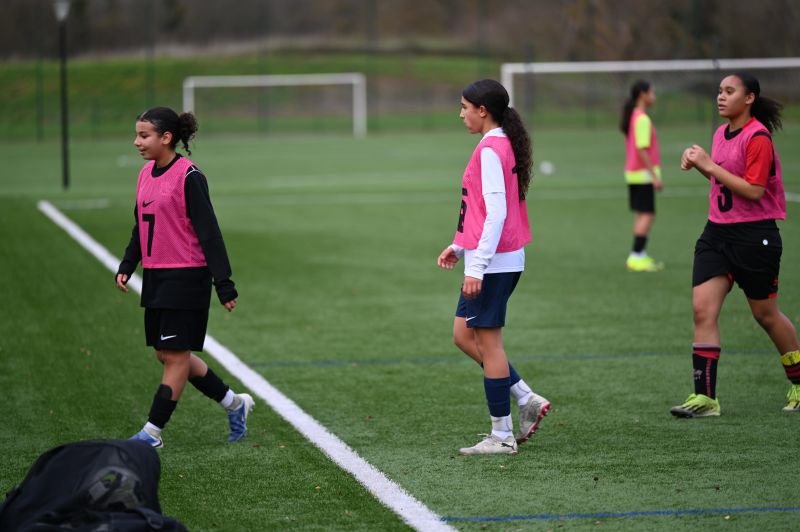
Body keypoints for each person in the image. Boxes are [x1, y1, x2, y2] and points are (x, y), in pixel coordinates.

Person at [116, 107, 255, 447]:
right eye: (137, 135)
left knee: (176, 357)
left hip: (187, 276)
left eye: (144, 135)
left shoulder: (189, 176)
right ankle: (235, 404)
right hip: (156, 276)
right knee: (167, 355)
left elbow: (209, 232)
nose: (137, 142)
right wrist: (128, 263)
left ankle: (152, 433)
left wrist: (223, 283)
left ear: (166, 138)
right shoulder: (145, 173)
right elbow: (141, 226)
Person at [671, 72, 800, 417]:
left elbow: (754, 191)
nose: (721, 96)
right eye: (719, 91)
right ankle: (705, 399)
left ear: (749, 98)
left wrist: (709, 165)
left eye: (730, 91)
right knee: (703, 309)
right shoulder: (720, 133)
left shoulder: (758, 137)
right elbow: (724, 182)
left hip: (755, 237)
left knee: (765, 315)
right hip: (716, 235)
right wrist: (700, 165)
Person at [437, 79, 550, 455]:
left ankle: (502, 436)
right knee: (463, 335)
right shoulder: (498, 144)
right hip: (491, 258)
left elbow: (498, 213)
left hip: (494, 263)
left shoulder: (490, 148)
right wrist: (460, 246)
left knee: (489, 342)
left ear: (482, 110)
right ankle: (525, 397)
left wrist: (477, 267)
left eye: (464, 107)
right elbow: (483, 209)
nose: (461, 114)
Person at [620, 80, 664, 272]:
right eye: (652, 92)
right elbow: (642, 149)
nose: (654, 96)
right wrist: (654, 176)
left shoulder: (633, 116)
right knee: (647, 214)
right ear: (643, 95)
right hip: (643, 174)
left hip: (633, 173)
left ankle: (639, 255)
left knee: (642, 214)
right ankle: (636, 256)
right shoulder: (642, 119)